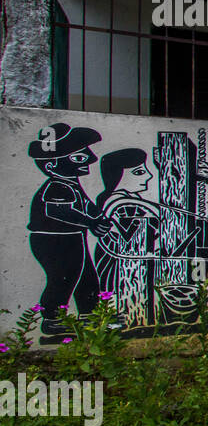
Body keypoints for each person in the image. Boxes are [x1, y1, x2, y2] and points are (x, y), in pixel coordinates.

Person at [27, 124, 113, 335]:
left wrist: (98, 217)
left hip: (73, 238)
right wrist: (91, 223)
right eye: (79, 158)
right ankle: (52, 318)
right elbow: (59, 211)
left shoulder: (71, 183)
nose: (91, 160)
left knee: (87, 276)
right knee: (63, 277)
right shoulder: (58, 186)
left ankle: (89, 314)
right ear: (52, 165)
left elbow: (86, 206)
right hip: (53, 240)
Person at [91, 148, 158, 326]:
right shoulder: (117, 202)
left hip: (123, 256)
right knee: (112, 287)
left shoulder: (129, 198)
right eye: (139, 172)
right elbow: (134, 229)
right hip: (117, 258)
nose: (149, 176)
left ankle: (117, 319)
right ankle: (112, 322)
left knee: (116, 288)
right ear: (117, 176)